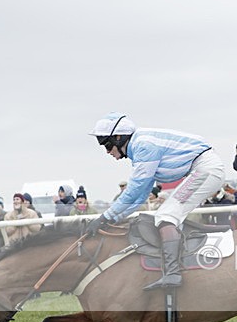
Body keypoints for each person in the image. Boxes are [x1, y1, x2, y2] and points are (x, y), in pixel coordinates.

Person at [86, 112, 225, 290]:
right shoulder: (139, 146)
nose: (107, 152)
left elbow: (134, 190)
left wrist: (104, 217)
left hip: (206, 169)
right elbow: (141, 196)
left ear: (119, 137)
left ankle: (173, 273)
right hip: (203, 168)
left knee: (165, 216)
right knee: (165, 214)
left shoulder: (143, 146)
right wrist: (114, 219)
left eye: (107, 145)